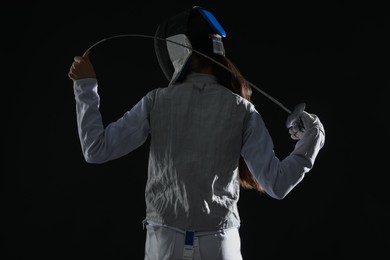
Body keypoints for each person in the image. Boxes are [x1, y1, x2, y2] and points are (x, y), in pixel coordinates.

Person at [68, 6, 325, 260]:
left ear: (175, 49)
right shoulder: (242, 109)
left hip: (165, 245)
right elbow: (277, 184)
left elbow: (95, 149)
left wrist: (85, 86)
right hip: (221, 243)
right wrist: (314, 135)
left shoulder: (157, 101)